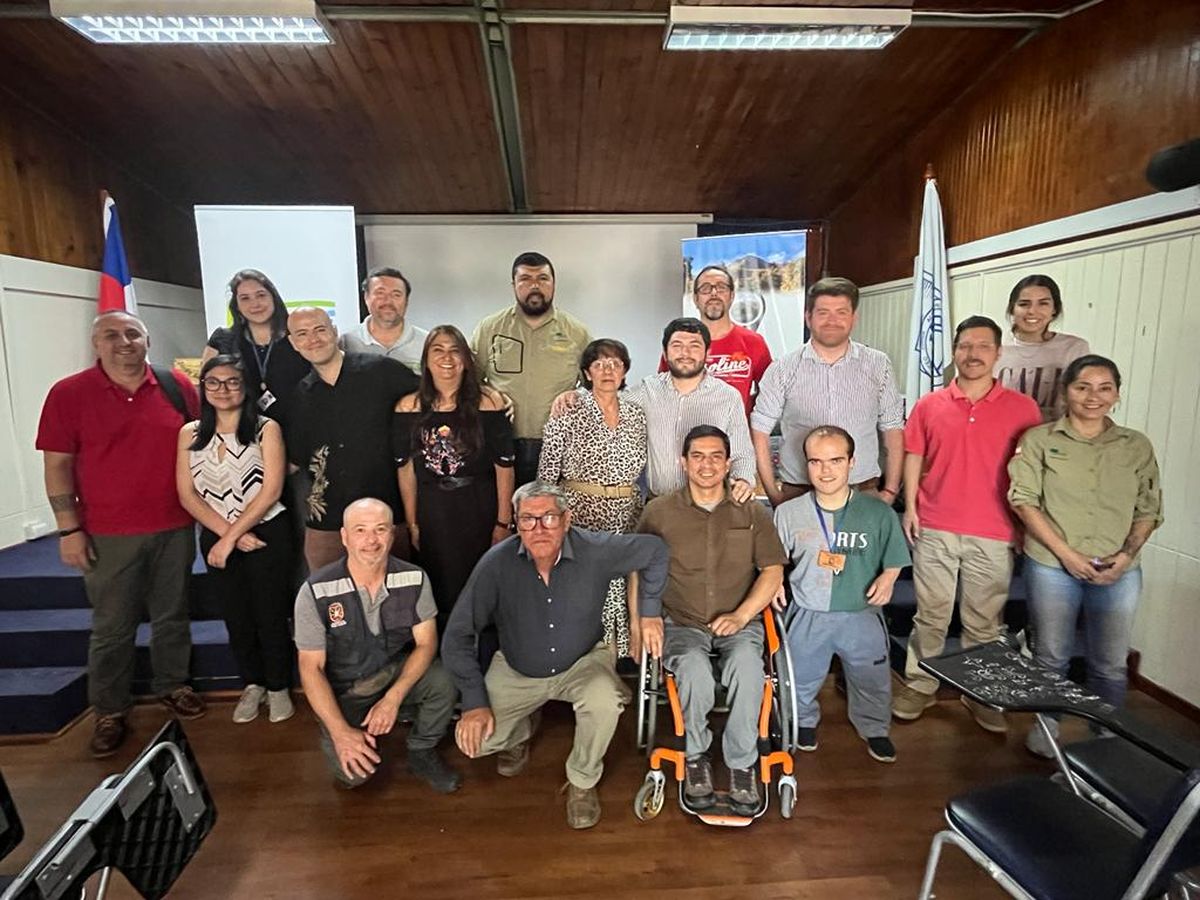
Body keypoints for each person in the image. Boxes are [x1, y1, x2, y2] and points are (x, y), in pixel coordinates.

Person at [443, 482, 669, 829]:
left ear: (567, 519)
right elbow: (457, 635)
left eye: (549, 517)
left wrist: (649, 612)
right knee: (477, 743)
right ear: (516, 524)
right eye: (528, 520)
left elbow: (655, 550)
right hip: (518, 668)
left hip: (583, 661)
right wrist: (474, 702)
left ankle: (582, 781)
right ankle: (520, 731)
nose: (539, 528)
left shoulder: (595, 549)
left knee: (605, 700)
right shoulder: (496, 564)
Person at [37, 311, 206, 758]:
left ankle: (173, 684)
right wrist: (68, 529)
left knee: (173, 613)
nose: (124, 342)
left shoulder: (178, 387)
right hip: (107, 533)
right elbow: (56, 466)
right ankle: (109, 709)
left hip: (174, 524)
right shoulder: (68, 394)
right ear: (96, 343)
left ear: (147, 339)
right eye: (111, 335)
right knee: (112, 626)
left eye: (132, 333)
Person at [892, 316, 1042, 732]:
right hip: (936, 525)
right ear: (954, 351)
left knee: (983, 621)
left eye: (982, 347)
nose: (972, 354)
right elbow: (914, 455)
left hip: (993, 530)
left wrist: (1025, 524)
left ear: (997, 354)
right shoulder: (930, 405)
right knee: (932, 614)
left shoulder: (1023, 409)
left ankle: (980, 693)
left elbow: (1032, 470)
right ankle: (920, 684)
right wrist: (911, 508)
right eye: (965, 346)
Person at [1008, 355, 1162, 757]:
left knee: (1109, 662)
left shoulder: (1135, 445)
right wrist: (1067, 555)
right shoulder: (1041, 440)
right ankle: (1048, 728)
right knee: (1051, 655)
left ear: (1116, 394)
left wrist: (1127, 555)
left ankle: (1105, 736)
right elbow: (1024, 501)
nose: (1093, 397)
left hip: (1119, 568)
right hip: (1053, 565)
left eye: (1104, 388)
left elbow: (1149, 507)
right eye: (1083, 387)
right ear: (1066, 392)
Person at [637, 426, 785, 814]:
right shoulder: (659, 511)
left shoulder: (750, 511)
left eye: (716, 456)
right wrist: (643, 619)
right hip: (682, 621)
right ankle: (697, 756)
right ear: (683, 462)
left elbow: (772, 571)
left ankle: (741, 764)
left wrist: (741, 615)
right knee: (695, 673)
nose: (707, 464)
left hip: (740, 622)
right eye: (698, 456)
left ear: (728, 463)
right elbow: (637, 568)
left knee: (749, 672)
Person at [293, 498, 461, 792]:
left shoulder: (414, 577)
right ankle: (350, 729)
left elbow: (426, 644)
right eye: (360, 530)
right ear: (344, 537)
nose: (371, 540)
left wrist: (392, 699)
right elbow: (311, 668)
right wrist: (341, 733)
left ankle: (421, 749)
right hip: (347, 689)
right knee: (354, 778)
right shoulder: (315, 591)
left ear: (392, 535)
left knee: (444, 679)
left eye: (380, 529)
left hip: (393, 673)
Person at [774, 426, 910, 764]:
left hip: (861, 612)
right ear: (806, 465)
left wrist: (890, 577)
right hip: (808, 611)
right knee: (800, 676)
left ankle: (875, 727)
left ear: (852, 462)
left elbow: (894, 556)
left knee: (872, 677)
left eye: (835, 460)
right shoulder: (788, 513)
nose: (826, 470)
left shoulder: (877, 512)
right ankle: (803, 722)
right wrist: (775, 577)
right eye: (816, 462)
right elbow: (774, 559)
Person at [176, 354, 297, 725]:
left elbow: (271, 488)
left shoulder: (266, 428)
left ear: (245, 388)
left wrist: (232, 537)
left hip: (266, 532)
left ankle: (278, 687)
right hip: (217, 535)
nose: (223, 390)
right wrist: (227, 537)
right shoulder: (190, 433)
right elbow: (187, 494)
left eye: (232, 382)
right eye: (214, 382)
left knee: (270, 613)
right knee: (236, 615)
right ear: (203, 388)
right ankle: (253, 684)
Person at [553, 318, 755, 502]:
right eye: (677, 346)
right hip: (658, 504)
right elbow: (606, 399)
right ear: (666, 353)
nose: (685, 353)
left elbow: (742, 452)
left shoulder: (728, 396)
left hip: (711, 505)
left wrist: (744, 481)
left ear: (707, 353)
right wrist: (576, 394)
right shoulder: (646, 390)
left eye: (694, 346)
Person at [394, 325, 515, 624]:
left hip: (478, 504)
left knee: (482, 581)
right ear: (426, 360)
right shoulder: (408, 407)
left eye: (454, 350)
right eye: (438, 350)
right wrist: (412, 523)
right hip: (433, 508)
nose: (447, 358)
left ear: (466, 359)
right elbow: (405, 469)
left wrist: (502, 522)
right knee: (439, 583)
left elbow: (504, 466)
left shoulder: (488, 403)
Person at [285, 307, 419, 570]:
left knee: (398, 600)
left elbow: (435, 398)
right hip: (327, 523)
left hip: (387, 515)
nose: (313, 339)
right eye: (302, 334)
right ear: (293, 343)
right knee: (328, 601)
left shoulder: (382, 372)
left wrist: (490, 399)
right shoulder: (299, 397)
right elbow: (297, 458)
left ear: (335, 332)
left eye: (320, 329)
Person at [751, 277, 904, 507]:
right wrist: (774, 495)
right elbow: (760, 431)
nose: (832, 320)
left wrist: (890, 491)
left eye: (841, 312)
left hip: (863, 494)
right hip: (799, 495)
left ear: (854, 317)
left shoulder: (878, 365)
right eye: (823, 312)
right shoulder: (783, 369)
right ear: (808, 317)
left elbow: (893, 430)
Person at [538, 338, 648, 658]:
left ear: (625, 369)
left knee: (623, 586)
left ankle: (617, 661)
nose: (607, 370)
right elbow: (547, 472)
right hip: (580, 512)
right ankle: (582, 659)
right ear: (587, 372)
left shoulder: (636, 413)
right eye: (598, 364)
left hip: (626, 514)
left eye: (614, 363)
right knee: (583, 588)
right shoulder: (569, 408)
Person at [471, 252, 591, 487]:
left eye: (543, 279)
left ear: (553, 284)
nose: (534, 286)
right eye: (525, 279)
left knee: (550, 517)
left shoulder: (577, 333)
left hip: (558, 446)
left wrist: (577, 394)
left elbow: (595, 388)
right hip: (498, 442)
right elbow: (469, 381)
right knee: (502, 513)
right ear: (514, 285)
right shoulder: (490, 328)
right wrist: (489, 393)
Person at [658, 265, 772, 416]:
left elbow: (769, 393)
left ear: (732, 295)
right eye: (705, 288)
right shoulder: (679, 344)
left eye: (721, 287)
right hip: (687, 435)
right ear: (695, 298)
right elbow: (662, 393)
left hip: (736, 436)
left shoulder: (754, 342)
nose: (713, 293)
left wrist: (746, 414)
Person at [201, 269, 311, 424]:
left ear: (273, 297)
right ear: (236, 305)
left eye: (261, 295)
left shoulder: (297, 335)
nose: (255, 304)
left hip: (300, 429)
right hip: (245, 434)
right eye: (245, 298)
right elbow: (207, 388)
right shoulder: (222, 339)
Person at [995, 274, 1090, 422]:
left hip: (1055, 437)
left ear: (1054, 309)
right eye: (1024, 304)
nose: (1032, 311)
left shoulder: (1074, 348)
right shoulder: (995, 348)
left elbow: (1083, 400)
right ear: (1012, 309)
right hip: (1003, 435)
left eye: (1043, 303)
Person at [340, 266, 429, 375]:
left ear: (406, 301)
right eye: (380, 293)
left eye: (396, 295)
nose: (388, 301)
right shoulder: (345, 342)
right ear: (366, 297)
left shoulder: (428, 343)